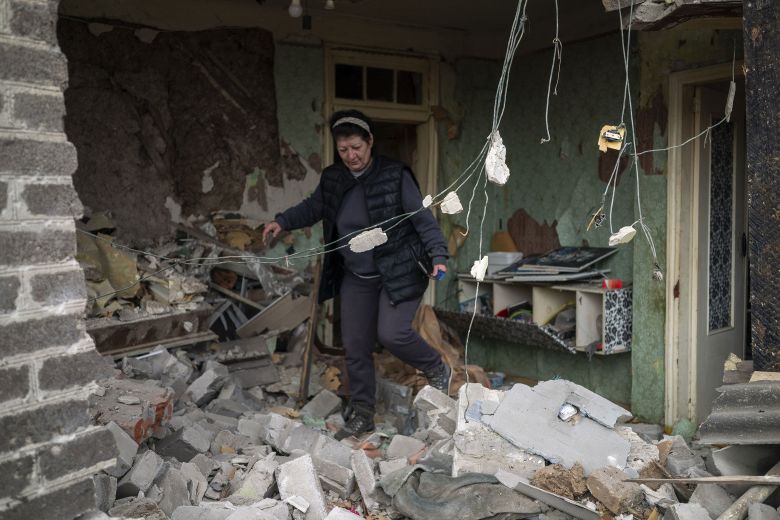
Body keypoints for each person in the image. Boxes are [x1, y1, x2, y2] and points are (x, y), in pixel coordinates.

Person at [263, 109, 451, 440]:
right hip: (356, 275)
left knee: (392, 333)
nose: (351, 156)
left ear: (370, 142)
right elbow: (313, 207)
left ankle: (436, 366)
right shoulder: (334, 178)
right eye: (344, 150)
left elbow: (422, 218)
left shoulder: (395, 175)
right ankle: (363, 411)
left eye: (356, 148)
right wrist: (282, 220)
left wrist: (438, 254)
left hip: (399, 269)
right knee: (355, 345)